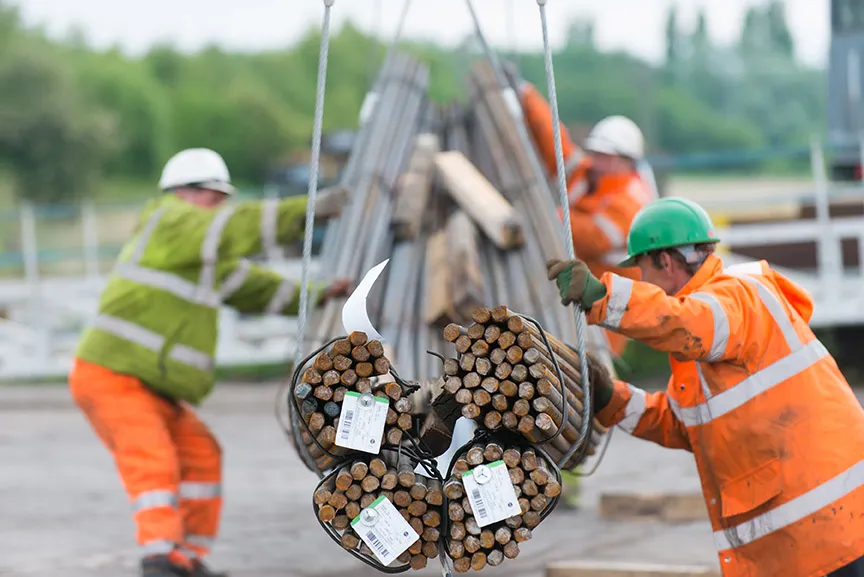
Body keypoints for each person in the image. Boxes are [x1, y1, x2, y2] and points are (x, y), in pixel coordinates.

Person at [69, 148, 351, 577]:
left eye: (223, 196)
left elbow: (260, 290)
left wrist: (321, 292)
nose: (220, 205)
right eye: (213, 195)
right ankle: (159, 556)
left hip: (149, 385)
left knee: (201, 455)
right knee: (152, 456)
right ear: (181, 192)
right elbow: (233, 227)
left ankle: (186, 559)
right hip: (112, 376)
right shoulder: (169, 221)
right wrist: (308, 211)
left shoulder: (199, 252)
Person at [546, 197, 864, 577]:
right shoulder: (707, 337)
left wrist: (604, 298)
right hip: (810, 536)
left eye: (642, 269)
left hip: (830, 532)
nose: (642, 282)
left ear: (665, 261)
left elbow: (687, 322)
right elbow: (683, 424)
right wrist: (609, 397)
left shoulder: (737, 297)